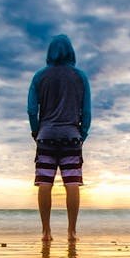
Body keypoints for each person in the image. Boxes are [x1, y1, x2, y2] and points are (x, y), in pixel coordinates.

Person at [27, 35, 92, 242]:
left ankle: (46, 232)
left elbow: (31, 110)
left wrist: (36, 131)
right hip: (71, 137)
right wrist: (83, 133)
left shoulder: (39, 76)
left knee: (44, 183)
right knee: (72, 184)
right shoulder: (80, 77)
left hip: (46, 136)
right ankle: (72, 232)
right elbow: (87, 111)